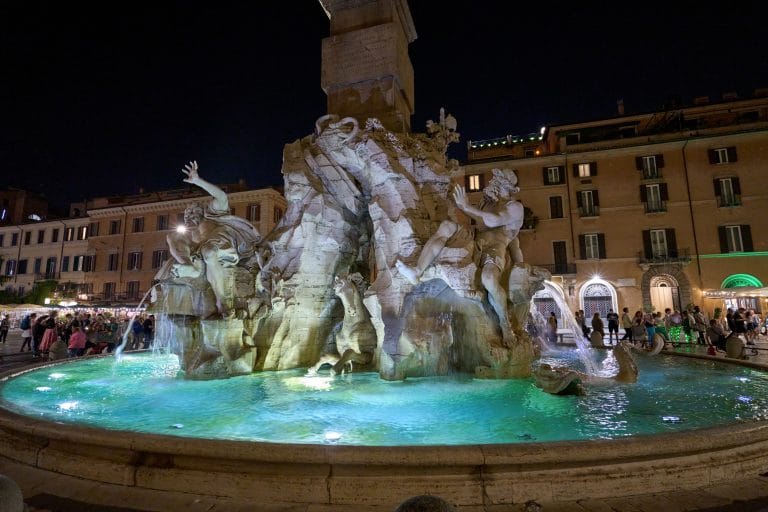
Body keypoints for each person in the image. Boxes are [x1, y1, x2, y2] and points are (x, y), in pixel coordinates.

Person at [396, 168, 524, 344]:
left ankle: (505, 324)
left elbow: (494, 220)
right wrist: (463, 207)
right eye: (494, 179)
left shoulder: (515, 207)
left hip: (494, 249)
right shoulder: (487, 203)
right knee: (447, 226)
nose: (492, 182)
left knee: (488, 279)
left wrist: (466, 206)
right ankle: (417, 270)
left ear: (507, 186)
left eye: (497, 180)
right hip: (474, 240)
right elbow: (478, 220)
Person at [166, 161, 262, 317]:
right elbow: (178, 243)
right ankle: (190, 267)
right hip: (199, 252)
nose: (189, 217)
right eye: (186, 215)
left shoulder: (212, 214)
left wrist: (197, 181)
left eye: (192, 213)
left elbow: (222, 196)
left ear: (201, 212)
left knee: (208, 251)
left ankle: (222, 301)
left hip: (221, 244)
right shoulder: (189, 234)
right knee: (173, 235)